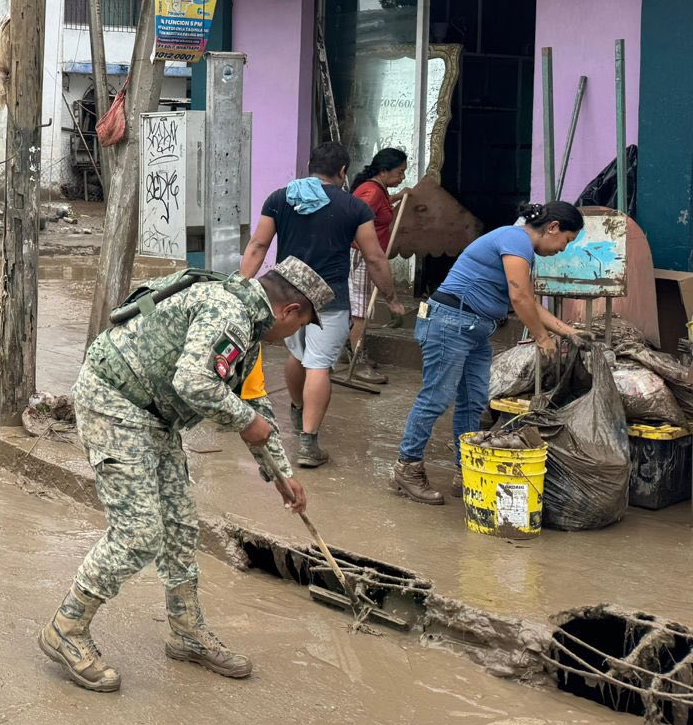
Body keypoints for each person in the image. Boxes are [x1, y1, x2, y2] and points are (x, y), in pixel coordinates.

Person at [38, 259, 330, 692]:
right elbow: (195, 381)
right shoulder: (228, 312)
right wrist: (246, 421)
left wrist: (281, 473)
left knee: (178, 527)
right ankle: (66, 627)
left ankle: (186, 630)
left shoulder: (246, 321)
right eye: (303, 324)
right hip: (115, 401)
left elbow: (253, 402)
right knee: (138, 533)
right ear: (290, 312)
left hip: (154, 415)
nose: (295, 334)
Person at [391, 201, 584, 504]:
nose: (563, 249)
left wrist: (569, 332)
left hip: (473, 328)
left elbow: (529, 302)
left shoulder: (519, 246)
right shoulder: (515, 239)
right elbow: (519, 296)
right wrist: (542, 338)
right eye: (566, 241)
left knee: (474, 403)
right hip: (450, 322)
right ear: (553, 227)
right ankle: (407, 466)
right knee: (435, 398)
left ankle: (466, 471)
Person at [238, 141, 406, 469]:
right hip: (329, 299)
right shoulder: (354, 207)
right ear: (343, 172)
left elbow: (258, 244)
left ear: (310, 166)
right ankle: (308, 442)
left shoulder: (280, 197)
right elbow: (374, 257)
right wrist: (391, 297)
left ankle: (299, 409)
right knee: (318, 365)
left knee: (297, 356)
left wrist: (241, 286)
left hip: (284, 297)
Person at [342, 148, 410, 385]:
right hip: (361, 255)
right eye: (399, 172)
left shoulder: (377, 190)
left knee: (358, 309)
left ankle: (350, 352)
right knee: (361, 311)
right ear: (384, 171)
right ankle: (358, 363)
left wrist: (398, 195)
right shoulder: (371, 192)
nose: (402, 177)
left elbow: (378, 207)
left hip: (364, 253)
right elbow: (355, 217)